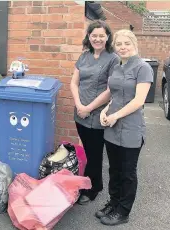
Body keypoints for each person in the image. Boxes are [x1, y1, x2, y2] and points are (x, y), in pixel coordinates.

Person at [98, 29, 153, 226]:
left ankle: (123, 211)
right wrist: (105, 111)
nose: (122, 47)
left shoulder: (143, 68)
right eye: (119, 44)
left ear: (134, 44)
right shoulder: (116, 67)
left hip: (130, 128)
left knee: (128, 172)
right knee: (114, 169)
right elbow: (114, 95)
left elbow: (138, 101)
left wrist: (115, 116)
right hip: (112, 126)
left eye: (126, 43)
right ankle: (113, 203)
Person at [70, 20, 119, 205]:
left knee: (94, 153)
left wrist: (88, 108)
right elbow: (74, 82)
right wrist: (79, 105)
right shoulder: (84, 56)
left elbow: (110, 90)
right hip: (80, 113)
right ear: (88, 37)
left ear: (107, 37)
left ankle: (93, 188)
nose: (97, 39)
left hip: (97, 115)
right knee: (88, 150)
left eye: (101, 35)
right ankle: (87, 183)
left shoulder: (113, 58)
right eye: (94, 35)